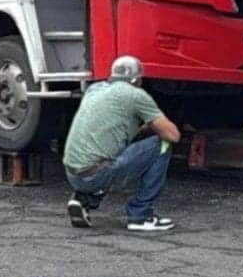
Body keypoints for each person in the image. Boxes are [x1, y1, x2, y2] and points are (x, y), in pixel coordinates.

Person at [62, 55, 181, 232]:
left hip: (72, 174)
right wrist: (154, 125)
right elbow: (173, 135)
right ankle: (140, 215)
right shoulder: (136, 95)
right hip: (96, 176)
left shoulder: (94, 89)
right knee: (161, 145)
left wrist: (140, 130)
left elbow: (111, 131)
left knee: (105, 150)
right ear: (137, 79)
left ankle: (83, 199)